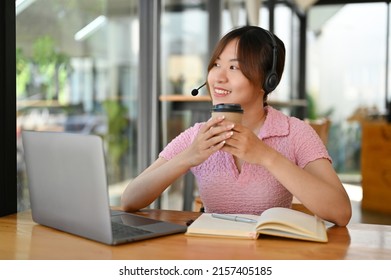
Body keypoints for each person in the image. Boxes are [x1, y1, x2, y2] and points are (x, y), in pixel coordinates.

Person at [121, 25, 352, 226]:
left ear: (267, 80)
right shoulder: (198, 135)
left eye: (234, 67)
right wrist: (190, 156)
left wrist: (266, 156)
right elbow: (130, 199)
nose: (218, 77)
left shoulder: (295, 132)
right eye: (216, 64)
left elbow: (341, 213)